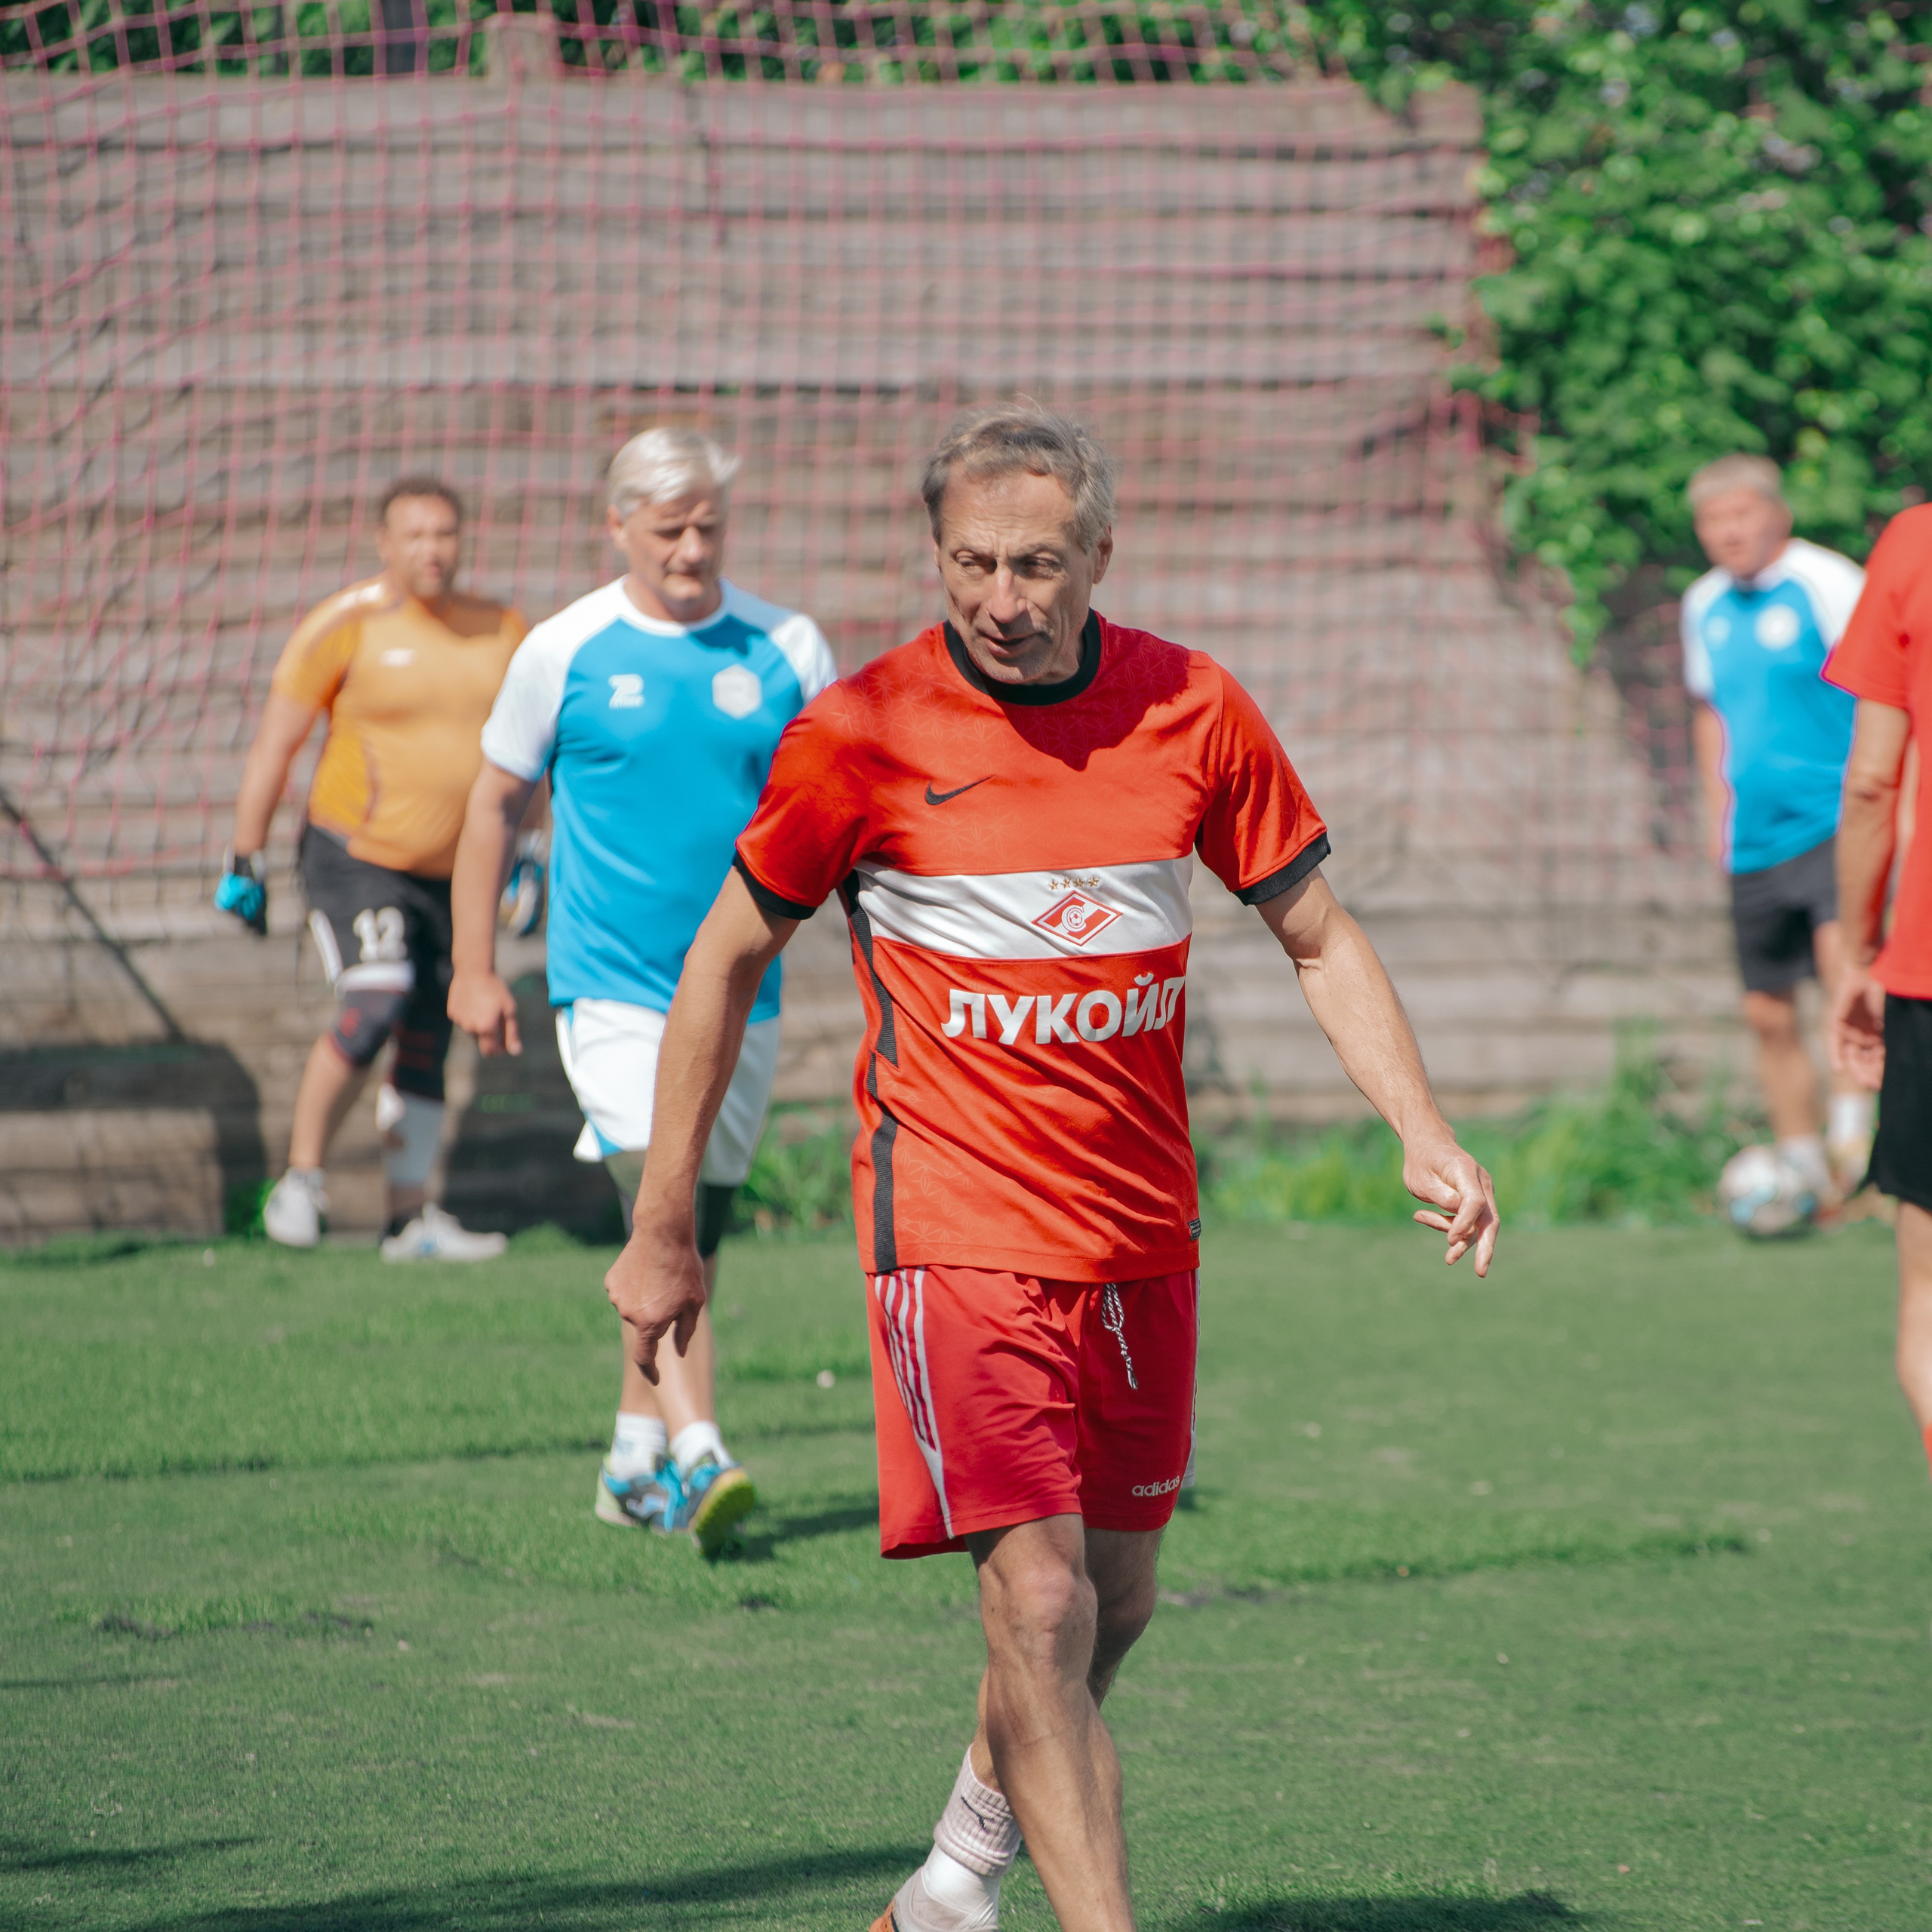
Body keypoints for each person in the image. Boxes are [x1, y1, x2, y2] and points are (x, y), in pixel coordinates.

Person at [605, 405, 1499, 1932]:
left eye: (1034, 564)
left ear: (1099, 555)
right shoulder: (864, 730)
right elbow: (725, 957)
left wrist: (1422, 1125)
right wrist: (663, 1219)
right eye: (971, 562)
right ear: (934, 553)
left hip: (1141, 1231)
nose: (1002, 598)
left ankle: (957, 1875)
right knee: (1036, 1599)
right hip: (952, 1225)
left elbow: (1316, 934)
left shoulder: (1191, 707)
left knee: (1113, 1606)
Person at [447, 428, 836, 1553]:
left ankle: (629, 1461)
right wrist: (473, 967)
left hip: (745, 990)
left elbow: (846, 811)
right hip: (610, 981)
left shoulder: (788, 647)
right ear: (616, 524)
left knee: (690, 1223)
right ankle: (699, 1448)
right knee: (653, 1196)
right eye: (669, 529)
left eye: (710, 525)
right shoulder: (563, 649)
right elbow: (493, 806)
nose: (692, 549)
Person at [217, 476, 527, 1260]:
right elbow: (277, 744)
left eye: (445, 533)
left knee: (430, 1027)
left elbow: (531, 754)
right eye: (414, 534)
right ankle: (301, 1179)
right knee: (378, 998)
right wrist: (245, 855)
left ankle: (407, 1220)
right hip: (356, 857)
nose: (432, 549)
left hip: (458, 871)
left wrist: (531, 849)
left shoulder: (502, 630)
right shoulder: (344, 625)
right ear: (384, 544)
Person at [1681, 453, 1875, 1206]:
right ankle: (1801, 1170)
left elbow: (1883, 692)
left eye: (1741, 514)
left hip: (1833, 822)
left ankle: (1853, 1152)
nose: (1728, 531)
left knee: (1842, 984)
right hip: (1753, 840)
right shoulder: (1702, 603)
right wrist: (1716, 815)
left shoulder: (1826, 582)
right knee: (1765, 1011)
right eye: (1712, 520)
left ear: (1776, 514)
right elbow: (1710, 713)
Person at [1824, 503, 1931, 1476]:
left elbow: (1869, 782)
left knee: (1928, 1298)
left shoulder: (1913, 544)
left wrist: (1858, 954)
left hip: (1926, 972)